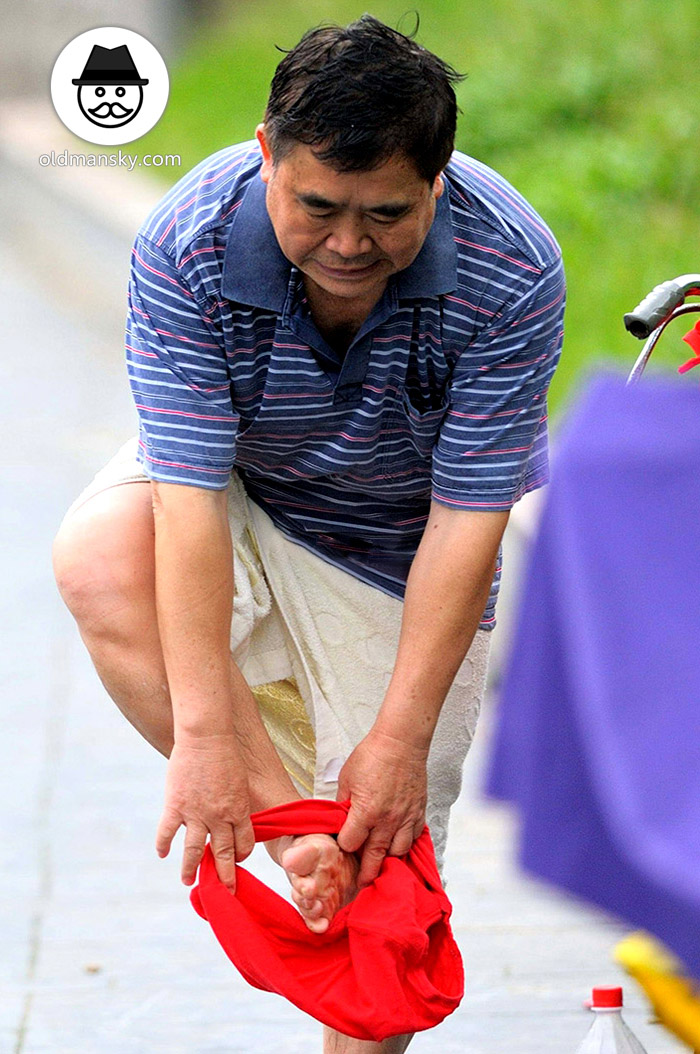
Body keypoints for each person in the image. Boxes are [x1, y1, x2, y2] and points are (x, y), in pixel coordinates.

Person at [53, 15, 565, 1053]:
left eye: (385, 214)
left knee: (383, 886)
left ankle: (336, 845)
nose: (347, 245)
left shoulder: (509, 268)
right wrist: (202, 738)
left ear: (438, 182)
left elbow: (469, 520)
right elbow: (187, 495)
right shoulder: (189, 239)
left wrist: (398, 742)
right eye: (316, 206)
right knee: (100, 555)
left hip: (399, 545)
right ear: (263, 157)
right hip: (242, 487)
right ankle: (292, 829)